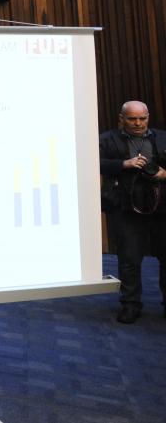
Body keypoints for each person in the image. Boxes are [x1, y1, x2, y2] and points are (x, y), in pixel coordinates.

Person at [99, 100, 166, 323]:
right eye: (132, 119)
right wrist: (124, 164)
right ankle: (130, 304)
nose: (138, 123)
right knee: (129, 259)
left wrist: (163, 174)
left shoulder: (162, 138)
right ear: (122, 119)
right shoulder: (107, 139)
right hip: (125, 207)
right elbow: (92, 162)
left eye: (142, 118)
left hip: (161, 207)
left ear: (148, 117)